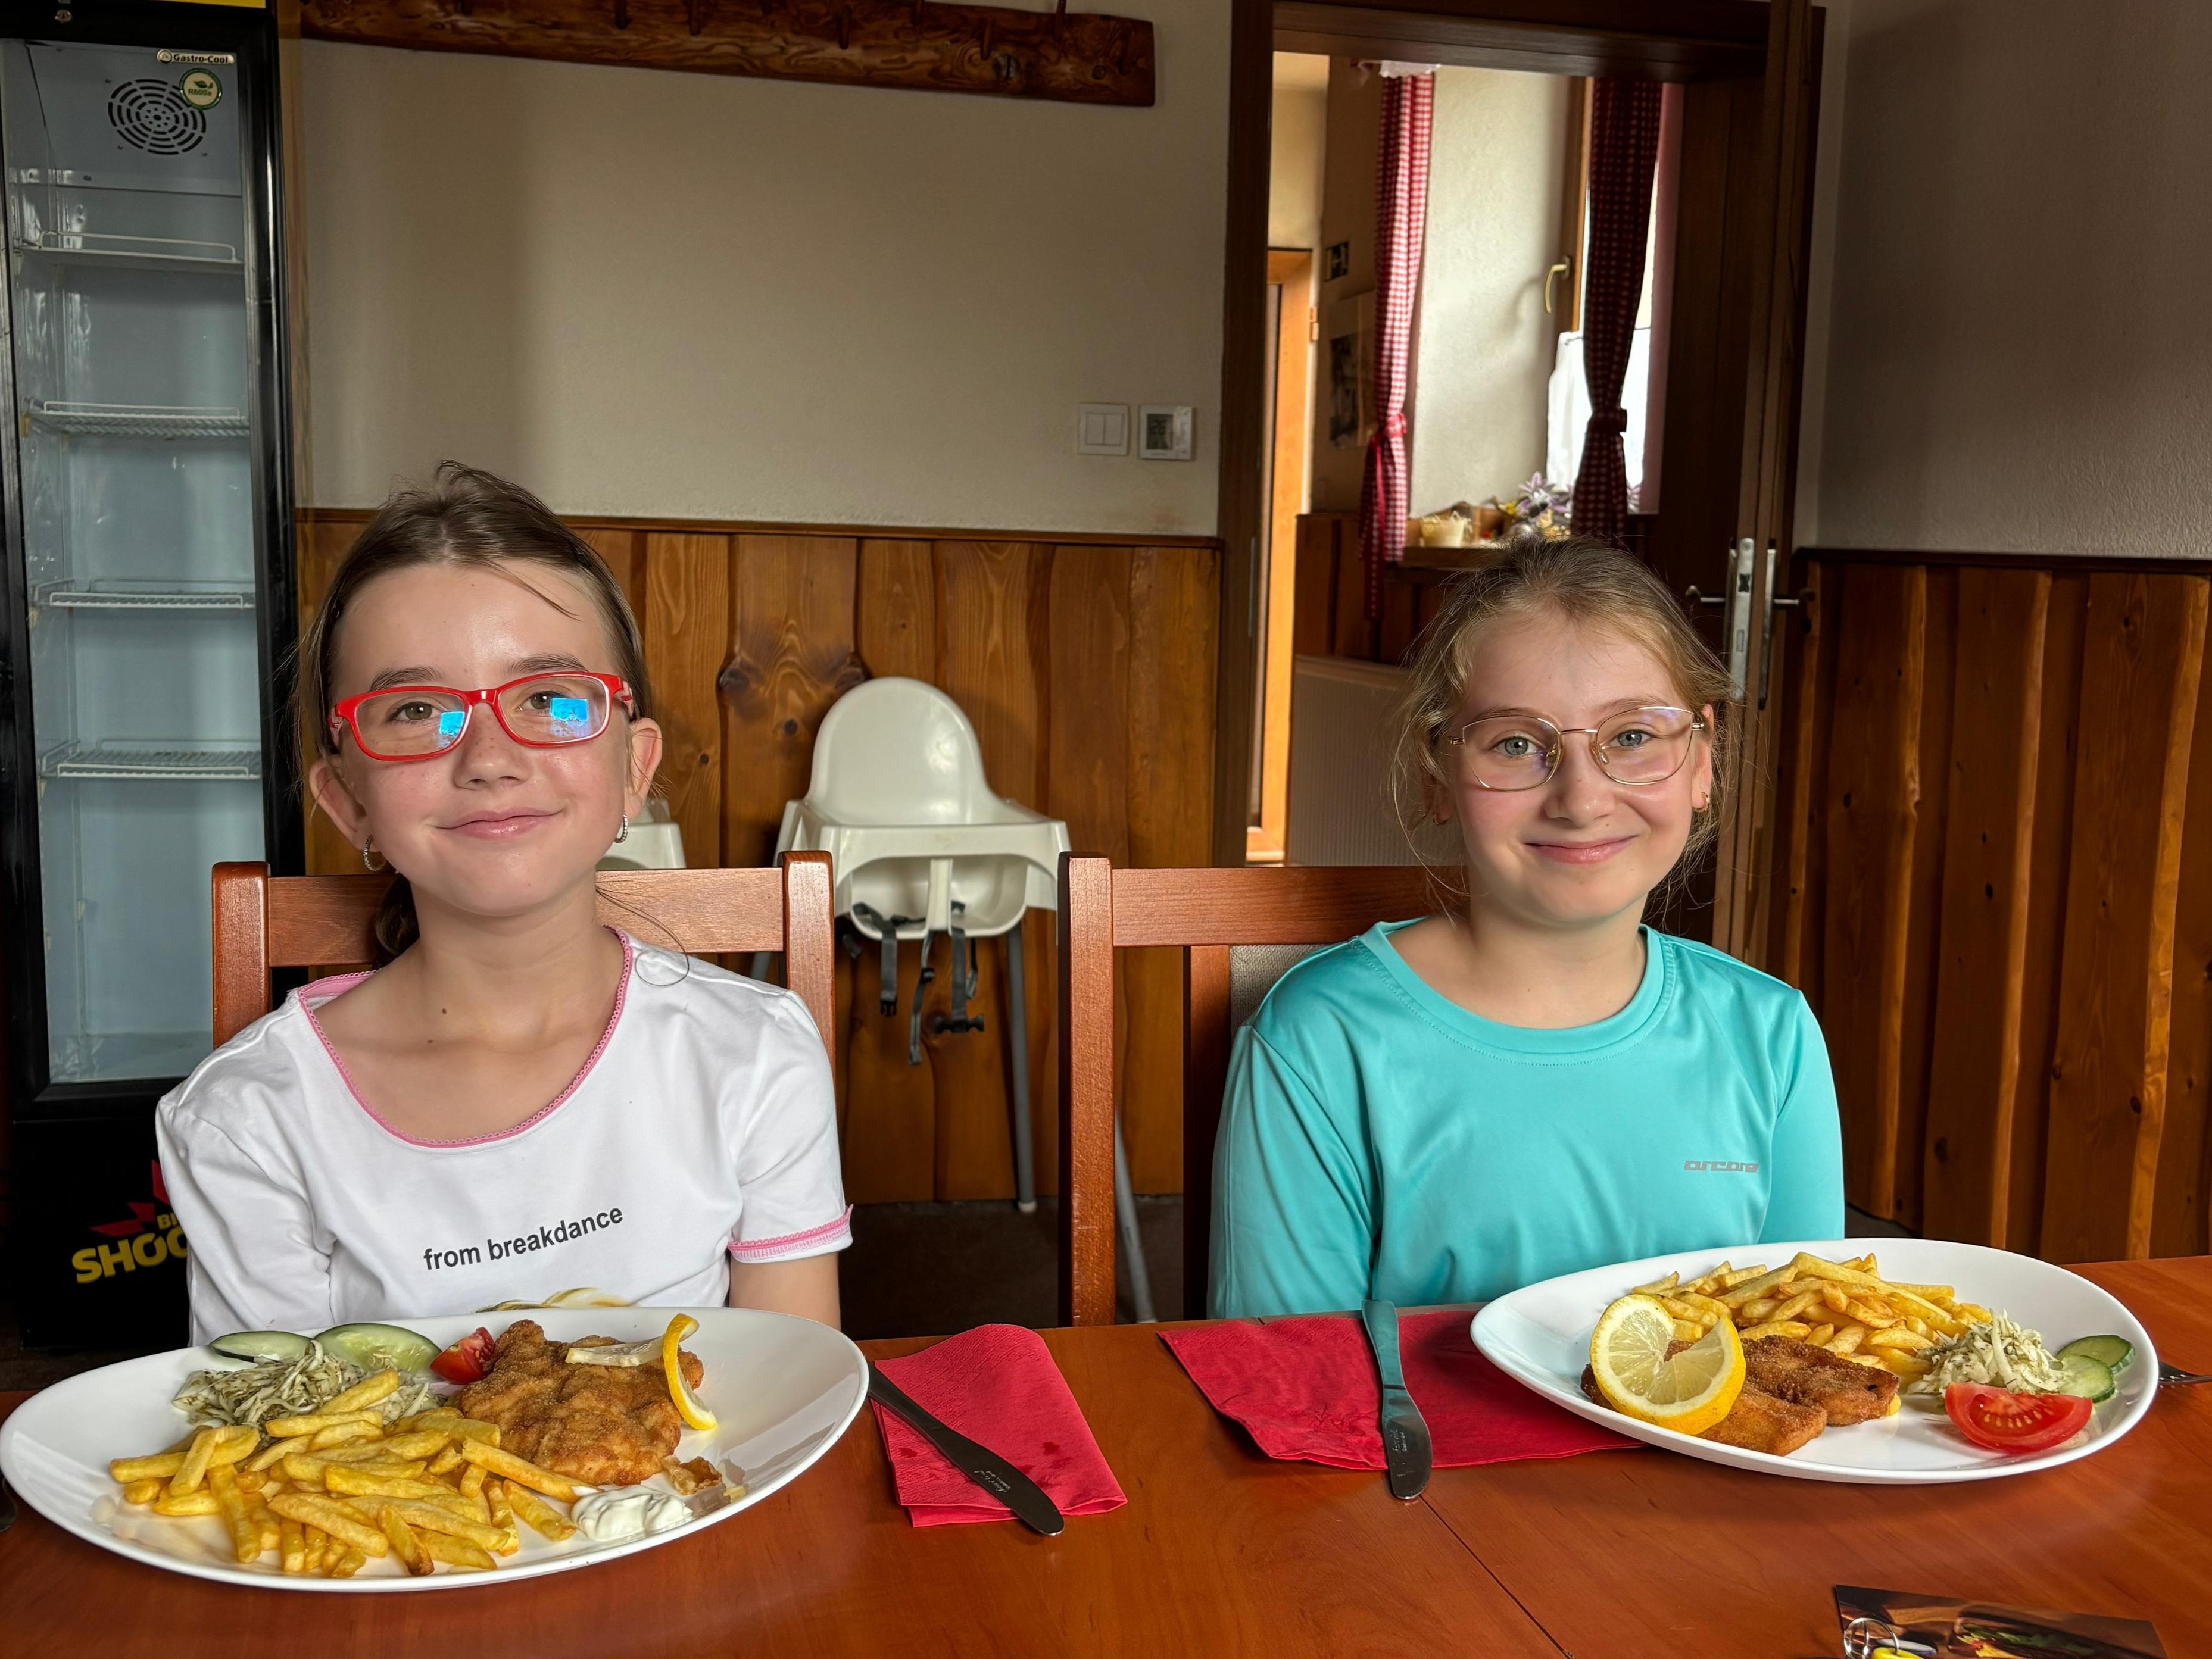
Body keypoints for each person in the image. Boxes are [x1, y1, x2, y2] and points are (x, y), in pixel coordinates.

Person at [158, 465, 848, 1343]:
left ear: (634, 768)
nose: (488, 758)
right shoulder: (247, 1118)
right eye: (415, 710)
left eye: (548, 698)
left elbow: (794, 1382)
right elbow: (276, 1422)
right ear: (347, 799)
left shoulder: (755, 1053)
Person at [1210, 533, 1842, 1319]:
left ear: (1702, 762)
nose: (1581, 800)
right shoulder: (1322, 1041)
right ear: (1436, 774)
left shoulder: (1771, 1036)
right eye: (1515, 743)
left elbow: (1805, 1349)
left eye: (1632, 737)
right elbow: (1284, 1368)